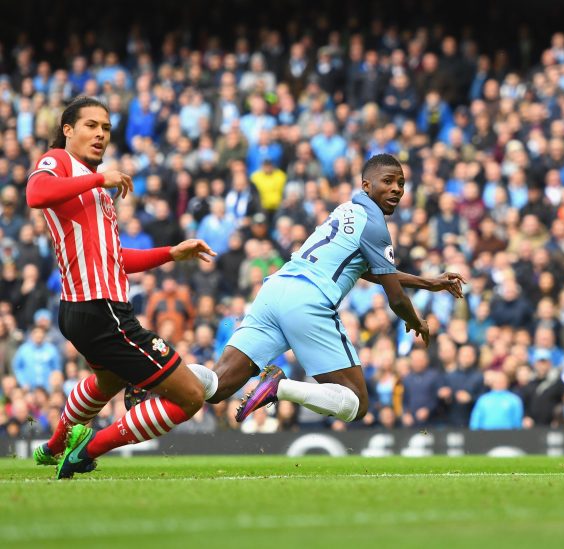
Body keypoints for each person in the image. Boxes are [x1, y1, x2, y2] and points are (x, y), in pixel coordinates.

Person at [26, 96, 218, 479]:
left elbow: (115, 259)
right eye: (91, 125)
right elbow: (35, 194)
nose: (100, 134)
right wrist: (100, 178)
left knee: (110, 379)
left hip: (84, 310)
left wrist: (170, 253)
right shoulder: (62, 163)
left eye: (107, 128)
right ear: (68, 130)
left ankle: (55, 445)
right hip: (101, 309)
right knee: (192, 395)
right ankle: (87, 451)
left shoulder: (93, 187)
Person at [206, 154, 464, 426]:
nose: (396, 189)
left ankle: (162, 376)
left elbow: (366, 269)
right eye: (388, 181)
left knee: (216, 385)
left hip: (273, 291)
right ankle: (280, 387)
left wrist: (427, 282)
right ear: (366, 185)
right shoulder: (374, 225)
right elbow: (397, 300)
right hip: (308, 299)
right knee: (356, 402)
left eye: (401, 183)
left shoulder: (345, 210)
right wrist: (417, 322)